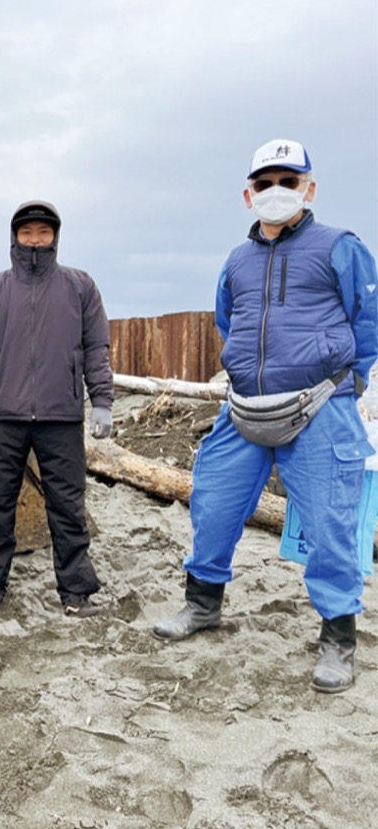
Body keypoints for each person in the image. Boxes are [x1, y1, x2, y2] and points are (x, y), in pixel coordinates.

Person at [154, 139, 378, 693]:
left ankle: (337, 639)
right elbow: (229, 323)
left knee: (331, 524)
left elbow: (369, 316)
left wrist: (353, 380)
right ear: (247, 194)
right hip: (244, 409)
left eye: (289, 181)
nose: (276, 192)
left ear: (310, 188)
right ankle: (203, 606)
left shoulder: (340, 247)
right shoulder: (236, 259)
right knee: (213, 503)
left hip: (320, 406)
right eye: (266, 182)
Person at [0, 200, 113, 625]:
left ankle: (75, 591)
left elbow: (96, 348)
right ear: (15, 237)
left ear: (55, 237)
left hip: (61, 416)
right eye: (28, 232)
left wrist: (101, 401)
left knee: (67, 505)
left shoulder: (80, 287)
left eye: (44, 232)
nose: (35, 239)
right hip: (4, 416)